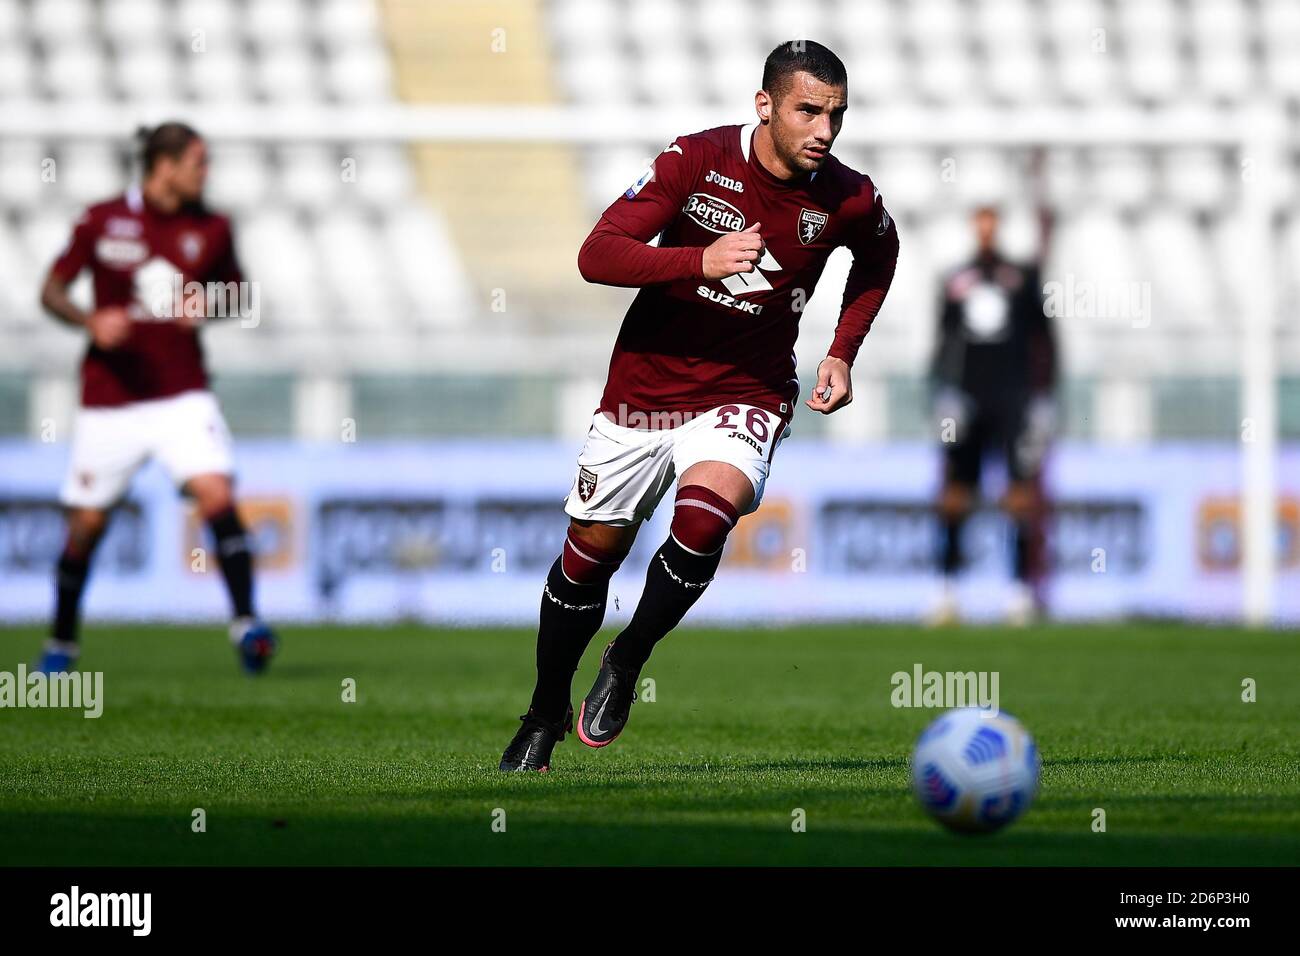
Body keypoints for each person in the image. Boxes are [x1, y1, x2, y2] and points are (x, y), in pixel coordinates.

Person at [500, 41, 898, 772]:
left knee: (704, 515)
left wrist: (842, 349)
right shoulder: (693, 161)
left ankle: (628, 655)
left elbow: (879, 258)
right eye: (808, 111)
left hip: (745, 388)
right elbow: (599, 254)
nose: (824, 130)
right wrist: (697, 259)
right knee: (591, 555)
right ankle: (543, 709)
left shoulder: (848, 196)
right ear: (765, 106)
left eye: (836, 115)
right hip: (644, 392)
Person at [35, 122, 277, 675]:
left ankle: (247, 625)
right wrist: (89, 320)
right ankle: (62, 641)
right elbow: (50, 290)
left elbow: (241, 293)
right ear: (164, 165)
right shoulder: (102, 220)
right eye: (198, 162)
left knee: (216, 492)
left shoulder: (212, 227)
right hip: (110, 399)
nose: (205, 172)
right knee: (88, 525)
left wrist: (209, 305)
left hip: (182, 394)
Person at [929, 206, 1058, 626]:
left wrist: (1044, 399)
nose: (985, 231)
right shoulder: (955, 280)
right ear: (973, 228)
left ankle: (1019, 592)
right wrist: (941, 393)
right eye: (979, 223)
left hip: (1013, 399)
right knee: (954, 496)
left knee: (1018, 498)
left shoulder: (1022, 278)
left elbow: (1045, 341)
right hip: (967, 398)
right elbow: (943, 341)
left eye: (991, 223)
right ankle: (947, 591)